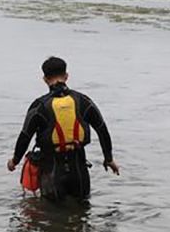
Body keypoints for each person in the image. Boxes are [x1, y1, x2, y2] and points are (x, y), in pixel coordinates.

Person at [7, 56, 118, 201]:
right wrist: (108, 159)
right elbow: (102, 130)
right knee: (82, 211)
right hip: (79, 170)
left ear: (45, 79)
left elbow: (25, 136)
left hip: (52, 171)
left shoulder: (39, 106)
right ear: (66, 76)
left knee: (52, 215)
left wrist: (14, 161)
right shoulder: (84, 101)